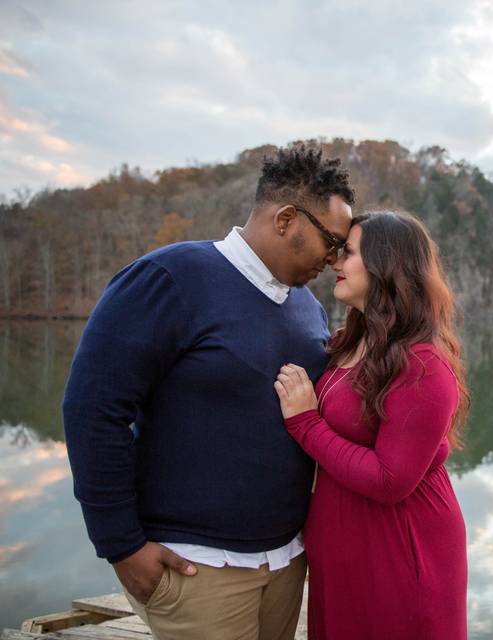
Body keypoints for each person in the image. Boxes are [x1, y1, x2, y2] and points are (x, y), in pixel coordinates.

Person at [62, 144, 354, 640]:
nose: (334, 259)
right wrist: (122, 546)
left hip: (285, 562)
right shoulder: (168, 279)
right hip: (198, 568)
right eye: (331, 241)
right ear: (286, 219)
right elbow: (93, 410)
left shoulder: (308, 308)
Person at [274, 210, 470, 639]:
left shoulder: (423, 365)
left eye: (349, 252)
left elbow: (389, 480)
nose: (336, 262)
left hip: (400, 551)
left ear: (387, 266)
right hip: (343, 551)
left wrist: (306, 423)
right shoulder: (351, 342)